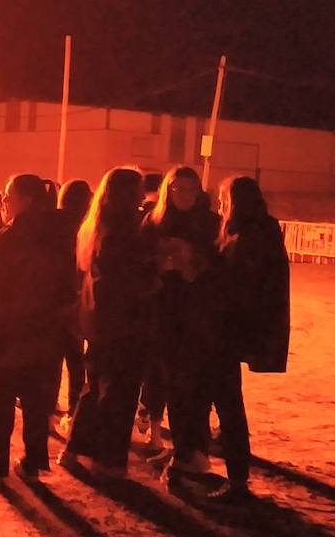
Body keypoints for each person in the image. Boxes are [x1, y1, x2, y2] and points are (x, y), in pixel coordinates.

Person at [0, 176, 75, 481]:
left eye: (8, 197)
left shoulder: (10, 236)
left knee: (2, 399)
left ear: (26, 200)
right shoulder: (61, 234)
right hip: (45, 334)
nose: (4, 203)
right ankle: (32, 463)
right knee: (35, 402)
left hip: (9, 331)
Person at [61, 167, 159, 479]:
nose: (143, 196)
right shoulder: (124, 232)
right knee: (121, 393)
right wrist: (156, 275)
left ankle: (76, 448)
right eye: (139, 190)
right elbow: (128, 281)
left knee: (96, 387)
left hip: (100, 320)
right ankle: (110, 460)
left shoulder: (99, 226)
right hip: (124, 322)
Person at [210, 176, 290, 503]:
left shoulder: (250, 238)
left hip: (229, 331)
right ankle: (231, 466)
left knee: (228, 404)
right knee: (226, 402)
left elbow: (242, 289)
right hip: (233, 329)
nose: (219, 206)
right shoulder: (257, 232)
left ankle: (238, 478)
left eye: (222, 199)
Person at [141, 167, 222, 474]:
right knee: (171, 383)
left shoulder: (211, 224)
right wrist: (160, 264)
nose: (184, 196)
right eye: (177, 190)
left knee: (196, 386)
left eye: (190, 190)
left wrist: (192, 262)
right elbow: (142, 260)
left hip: (198, 315)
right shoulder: (155, 222)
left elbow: (219, 268)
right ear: (167, 192)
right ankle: (181, 449)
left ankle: (195, 450)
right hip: (164, 312)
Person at [56, 179, 93, 420]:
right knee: (76, 360)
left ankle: (48, 412)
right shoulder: (86, 229)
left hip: (54, 300)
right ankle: (74, 412)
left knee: (52, 362)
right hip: (75, 300)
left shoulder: (52, 226)